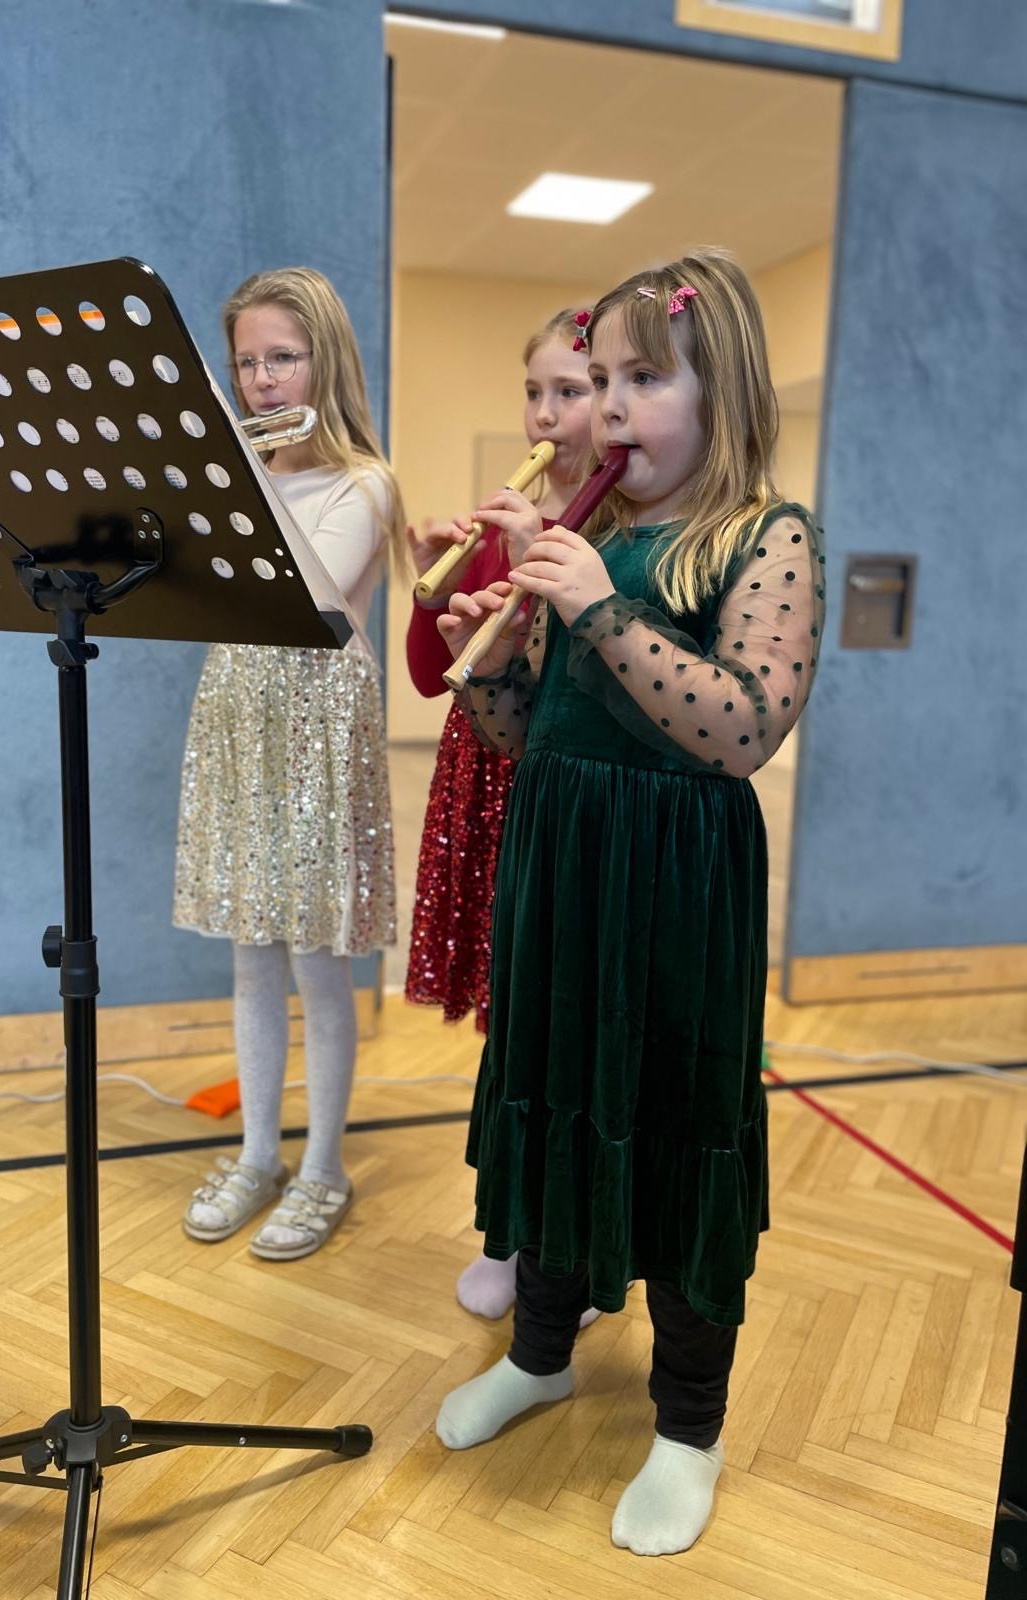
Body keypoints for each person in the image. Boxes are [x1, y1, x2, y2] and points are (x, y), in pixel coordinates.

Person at [433, 249, 825, 1559]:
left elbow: (743, 727)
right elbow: (521, 728)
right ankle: (540, 1352)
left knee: (674, 1121)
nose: (605, 407)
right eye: (598, 379)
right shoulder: (585, 537)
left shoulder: (767, 535)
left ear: (728, 393)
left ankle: (689, 1427)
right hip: (564, 862)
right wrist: (490, 647)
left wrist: (601, 613)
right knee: (553, 1095)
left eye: (643, 378)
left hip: (676, 885)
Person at [175, 267, 402, 1262]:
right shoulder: (240, 480)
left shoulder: (365, 483)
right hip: (239, 716)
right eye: (247, 363)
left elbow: (314, 596)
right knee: (251, 952)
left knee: (318, 958)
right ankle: (259, 1155)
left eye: (283, 358)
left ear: (326, 361)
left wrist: (243, 475)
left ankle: (324, 1169)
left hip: (318, 726)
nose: (263, 380)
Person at [404, 308, 600, 1322]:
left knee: (559, 1014)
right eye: (534, 392)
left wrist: (540, 562)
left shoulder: (611, 530)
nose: (546, 414)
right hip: (480, 779)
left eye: (570, 391)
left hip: (555, 784)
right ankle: (512, 1230)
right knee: (507, 1019)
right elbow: (430, 675)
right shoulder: (502, 525)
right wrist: (429, 590)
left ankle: (569, 1240)